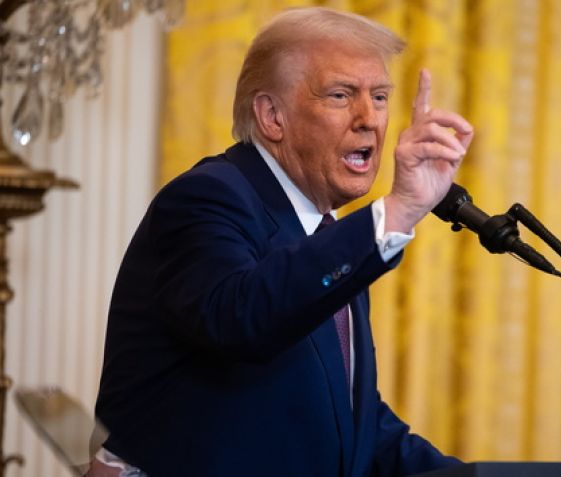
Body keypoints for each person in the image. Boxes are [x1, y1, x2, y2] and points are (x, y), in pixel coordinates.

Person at [88, 6, 473, 477]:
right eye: (340, 95)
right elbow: (242, 317)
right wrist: (397, 211)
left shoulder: (332, 235)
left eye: (379, 97)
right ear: (272, 116)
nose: (369, 119)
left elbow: (356, 427)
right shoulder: (208, 197)